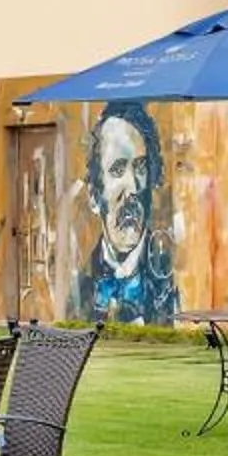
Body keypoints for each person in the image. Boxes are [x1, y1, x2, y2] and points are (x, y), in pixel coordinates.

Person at [80, 100, 175, 326]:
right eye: (118, 169)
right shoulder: (79, 286)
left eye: (141, 167)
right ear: (94, 196)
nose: (132, 187)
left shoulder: (171, 277)